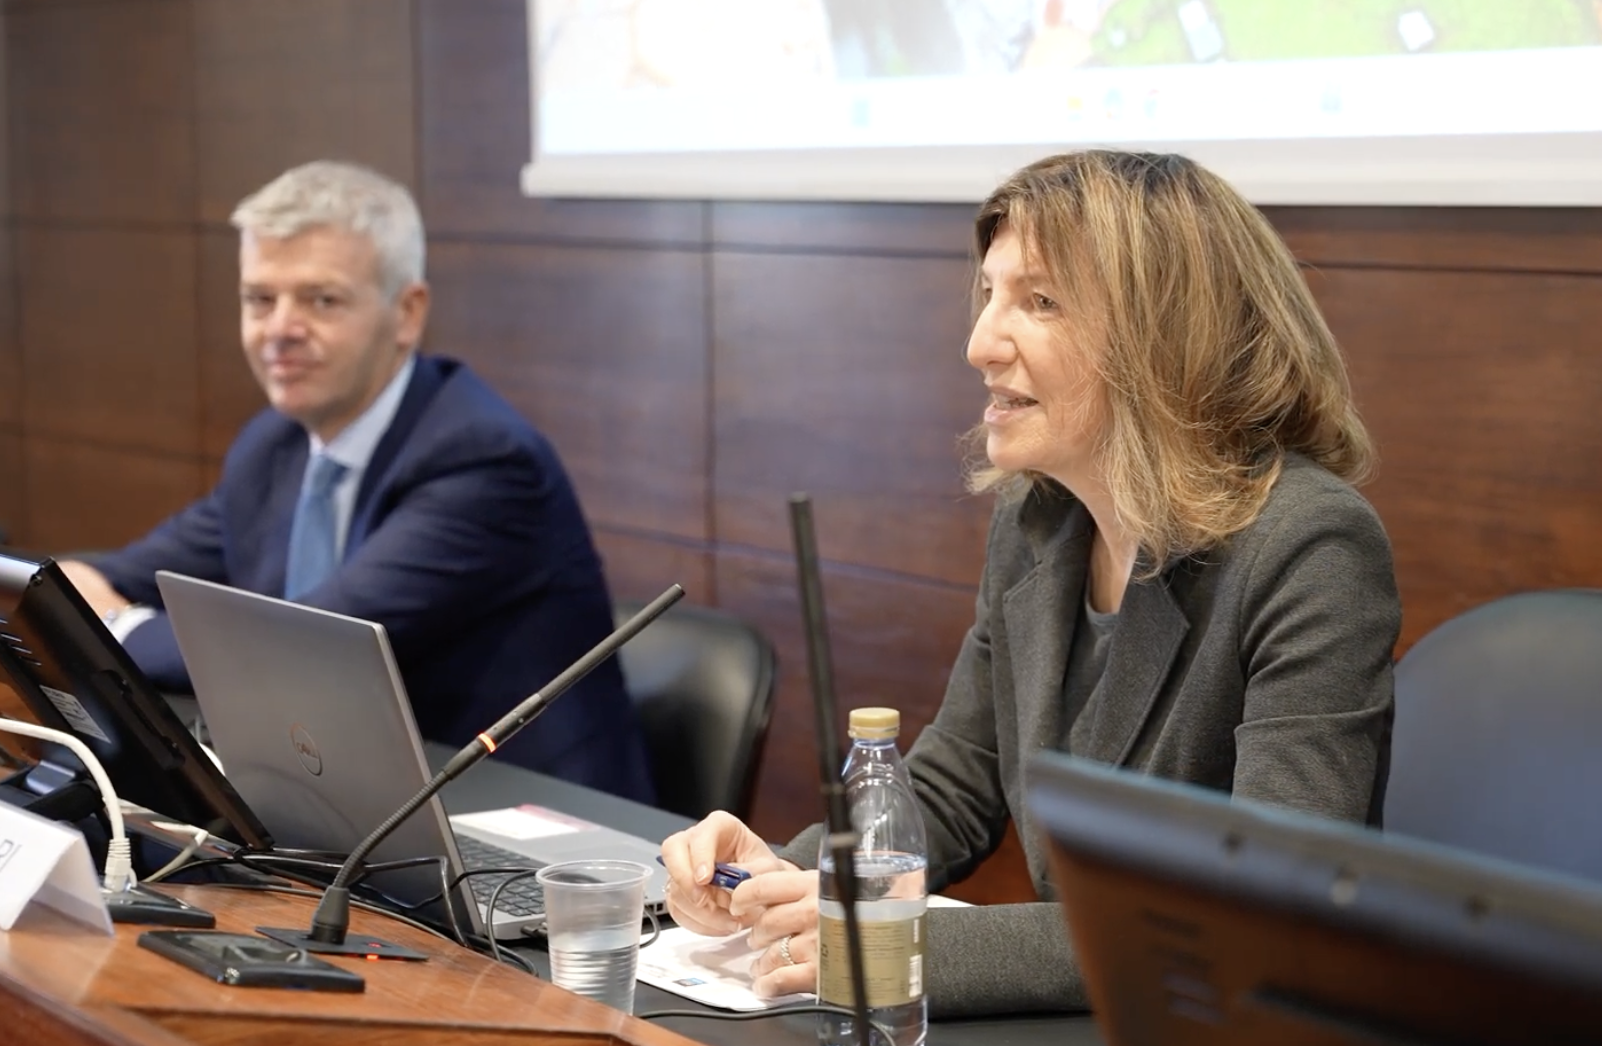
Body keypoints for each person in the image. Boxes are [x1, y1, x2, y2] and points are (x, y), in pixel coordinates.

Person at [660, 150, 1400, 1016]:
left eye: (1040, 301)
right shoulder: (1040, 519)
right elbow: (952, 789)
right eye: (989, 294)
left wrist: (890, 947)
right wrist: (790, 876)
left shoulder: (1311, 547)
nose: (979, 344)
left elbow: (1264, 909)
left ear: (1167, 335)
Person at [61, 160, 654, 804]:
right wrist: (82, 598)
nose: (280, 329)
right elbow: (123, 574)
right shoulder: (275, 445)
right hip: (340, 800)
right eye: (260, 299)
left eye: (322, 300)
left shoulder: (483, 460)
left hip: (518, 820)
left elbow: (304, 651)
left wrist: (113, 625)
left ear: (407, 313)